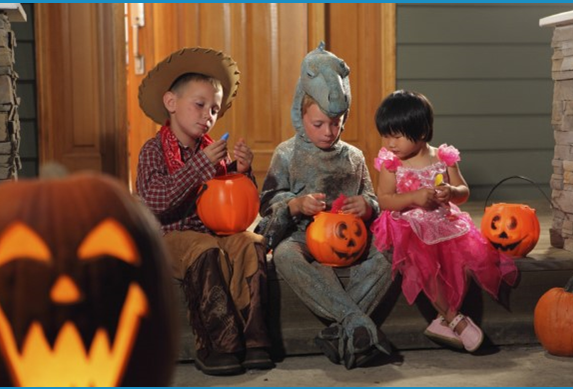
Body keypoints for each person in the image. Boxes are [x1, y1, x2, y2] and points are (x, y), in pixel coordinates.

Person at [136, 47, 273, 376]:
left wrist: (242, 171)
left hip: (215, 233)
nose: (208, 115)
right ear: (171, 103)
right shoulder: (153, 150)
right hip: (171, 238)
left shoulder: (213, 154)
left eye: (214, 109)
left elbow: (235, 206)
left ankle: (255, 340)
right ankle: (216, 343)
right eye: (199, 105)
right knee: (203, 247)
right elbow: (156, 201)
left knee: (251, 242)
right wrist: (201, 165)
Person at [256, 43, 392, 370]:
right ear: (300, 116)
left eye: (336, 123)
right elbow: (267, 206)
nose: (328, 132)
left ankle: (340, 330)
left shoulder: (354, 157)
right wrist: (295, 205)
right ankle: (354, 320)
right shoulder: (286, 154)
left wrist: (368, 206)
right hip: (303, 235)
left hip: (349, 235)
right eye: (318, 124)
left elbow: (372, 198)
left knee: (391, 252)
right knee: (286, 255)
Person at [371, 90, 518, 353]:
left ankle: (441, 321)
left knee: (466, 259)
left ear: (423, 132)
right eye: (385, 134)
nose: (390, 143)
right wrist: (414, 197)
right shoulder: (391, 163)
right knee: (421, 262)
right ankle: (455, 318)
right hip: (407, 222)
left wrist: (451, 193)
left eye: (397, 135)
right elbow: (383, 199)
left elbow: (463, 191)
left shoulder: (443, 157)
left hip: (442, 220)